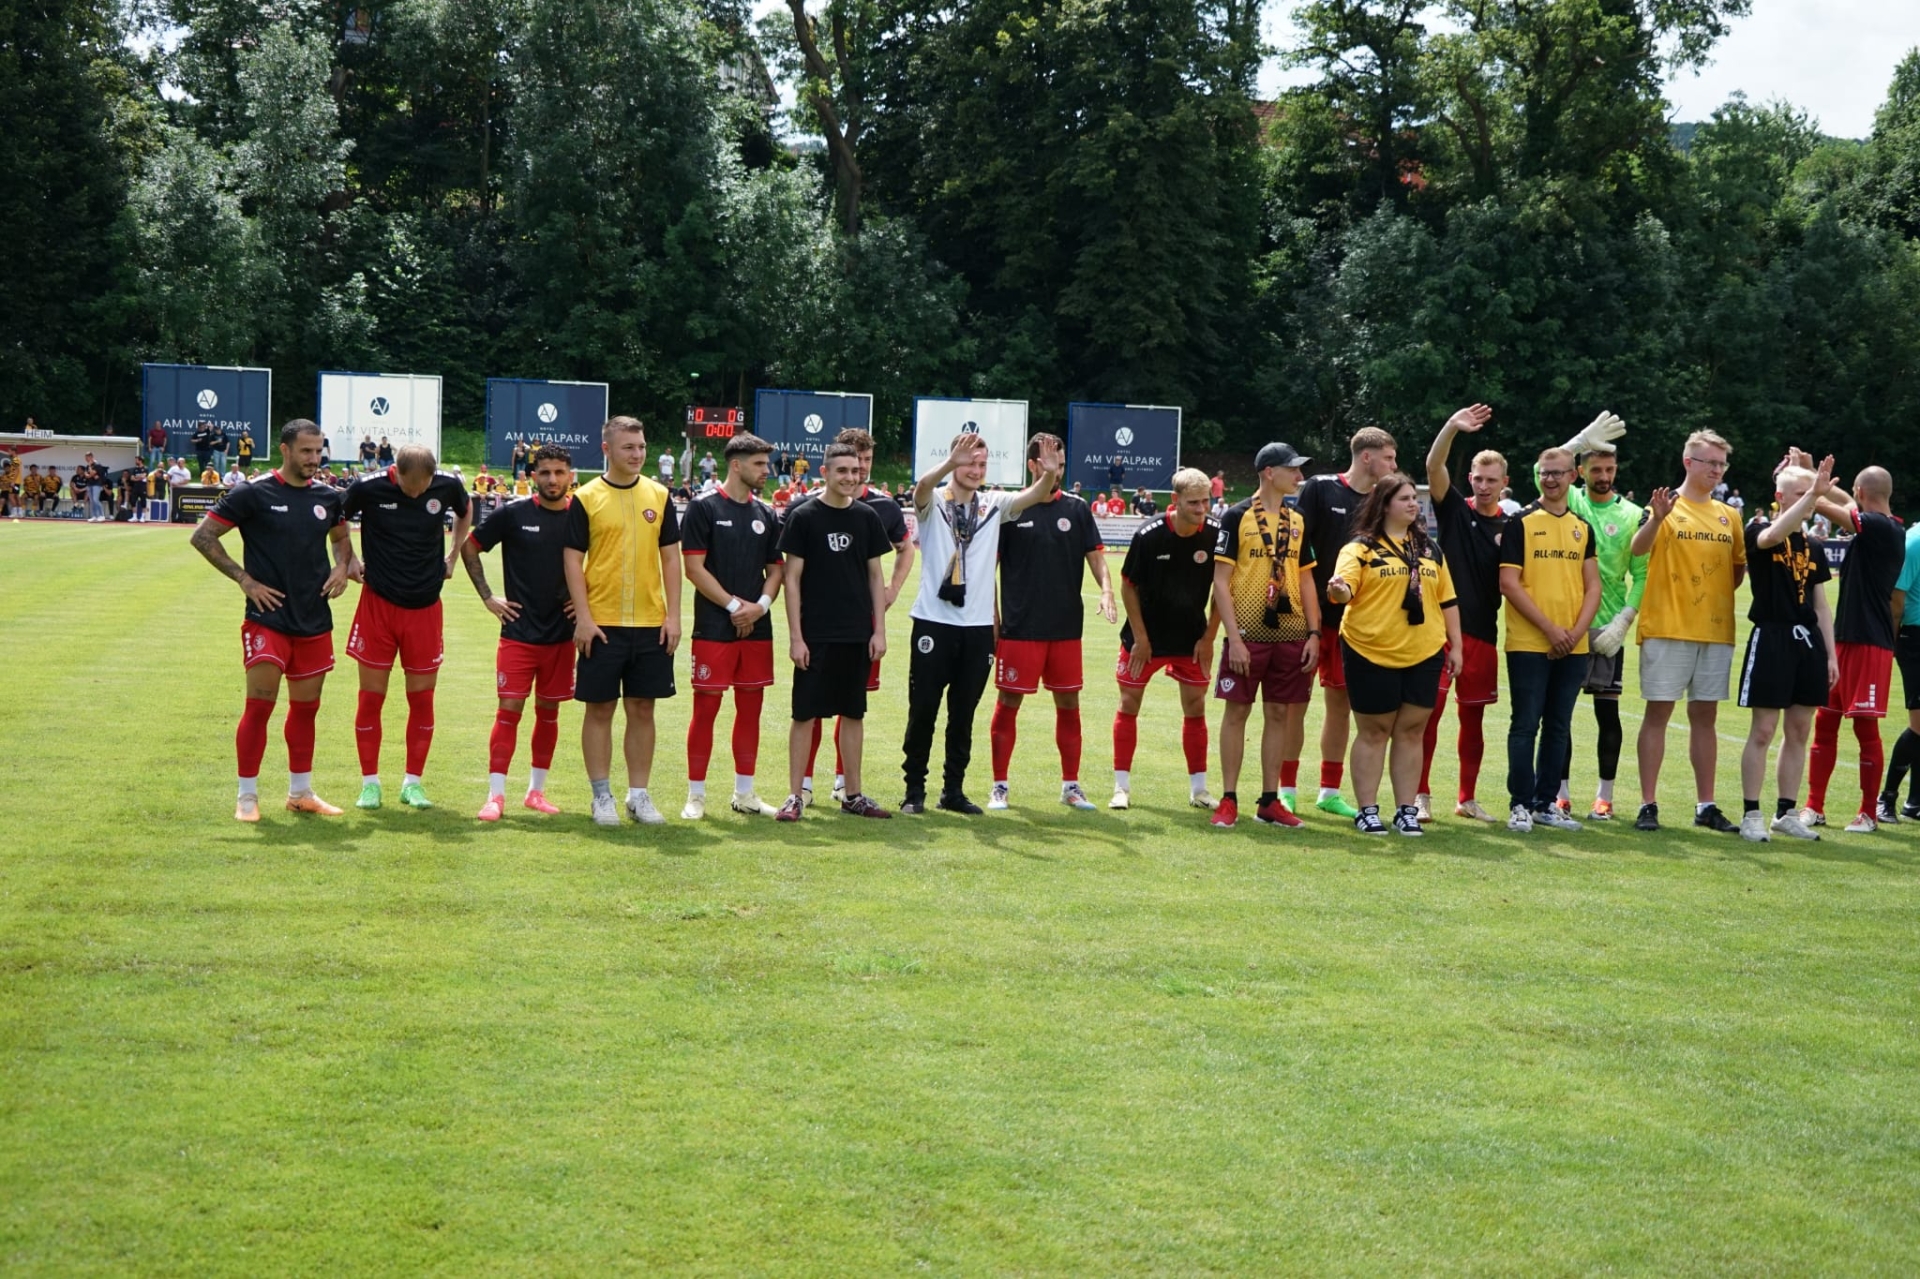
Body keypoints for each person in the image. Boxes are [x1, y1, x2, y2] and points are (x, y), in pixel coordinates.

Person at [189, 419, 357, 820]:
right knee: (260, 706)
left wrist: (341, 567)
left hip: (314, 618)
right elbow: (203, 537)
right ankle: (247, 797)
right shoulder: (253, 492)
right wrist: (245, 580)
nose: (314, 459)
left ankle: (300, 793)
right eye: (306, 451)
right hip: (267, 618)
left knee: (306, 709)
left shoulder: (329, 497)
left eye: (318, 451)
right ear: (285, 450)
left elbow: (341, 540)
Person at [902, 431, 1064, 814]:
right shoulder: (935, 502)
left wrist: (1048, 473)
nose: (975, 470)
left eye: (981, 464)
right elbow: (920, 488)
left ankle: (953, 791)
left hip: (976, 629)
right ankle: (914, 791)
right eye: (969, 463)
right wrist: (949, 463)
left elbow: (1034, 496)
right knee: (923, 710)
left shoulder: (992, 504)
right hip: (933, 622)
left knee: (963, 714)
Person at [1324, 473, 1463, 835]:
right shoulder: (1360, 548)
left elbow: (1447, 599)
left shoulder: (1430, 549)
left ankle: (1406, 810)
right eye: (1404, 499)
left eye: (1415, 498)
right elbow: (1344, 589)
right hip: (1370, 650)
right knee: (1375, 730)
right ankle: (1367, 810)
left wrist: (1456, 645)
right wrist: (1338, 591)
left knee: (1412, 731)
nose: (1414, 504)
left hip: (1424, 651)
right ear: (1384, 505)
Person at [565, 416, 683, 827]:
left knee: (643, 708)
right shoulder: (585, 497)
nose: (637, 454)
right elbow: (572, 560)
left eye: (641, 447)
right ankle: (602, 796)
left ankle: (639, 795)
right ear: (607, 450)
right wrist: (583, 617)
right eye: (628, 447)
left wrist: (673, 616)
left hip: (650, 623)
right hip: (601, 623)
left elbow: (671, 559)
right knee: (599, 710)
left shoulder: (659, 495)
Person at [987, 433, 1114, 813]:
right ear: (1032, 465)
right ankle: (999, 786)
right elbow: (987, 570)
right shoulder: (1010, 510)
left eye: (1060, 462)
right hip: (1020, 627)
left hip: (1065, 628)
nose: (1057, 469)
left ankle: (1071, 786)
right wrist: (993, 617)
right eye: (1049, 462)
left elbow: (1096, 557)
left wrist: (1107, 590)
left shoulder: (1077, 508)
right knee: (1008, 701)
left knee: (1069, 702)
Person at [342, 445, 473, 811]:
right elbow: (337, 518)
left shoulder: (447, 485)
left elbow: (466, 511)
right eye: (408, 487)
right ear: (394, 472)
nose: (416, 494)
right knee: (371, 697)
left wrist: (453, 554)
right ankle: (370, 784)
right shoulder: (367, 487)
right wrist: (349, 558)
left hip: (425, 607)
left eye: (422, 488)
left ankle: (412, 783)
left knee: (422, 698)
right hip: (378, 605)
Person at [1628, 429, 1747, 833]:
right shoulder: (1664, 506)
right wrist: (1658, 518)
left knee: (1705, 716)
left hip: (1715, 631)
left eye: (1721, 464)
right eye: (1709, 462)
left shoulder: (1730, 515)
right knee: (1658, 713)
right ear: (1688, 462)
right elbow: (1638, 548)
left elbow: (1736, 572)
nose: (1717, 470)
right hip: (1667, 626)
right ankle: (1648, 804)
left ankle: (1706, 805)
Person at [796, 429, 916, 804]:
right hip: (818, 624)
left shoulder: (881, 508)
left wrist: (891, 592)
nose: (859, 469)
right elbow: (792, 571)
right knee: (812, 706)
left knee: (851, 704)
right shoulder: (806, 509)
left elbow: (905, 550)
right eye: (852, 461)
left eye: (865, 461)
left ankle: (843, 782)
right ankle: (803, 784)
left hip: (859, 624)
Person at [460, 443, 578, 821]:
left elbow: (606, 560)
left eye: (559, 472)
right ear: (532, 476)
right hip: (518, 634)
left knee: (549, 712)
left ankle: (535, 792)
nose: (552, 479)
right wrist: (488, 597)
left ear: (570, 475)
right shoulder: (513, 513)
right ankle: (495, 796)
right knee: (509, 710)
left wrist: (587, 599)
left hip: (562, 636)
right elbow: (470, 548)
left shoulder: (582, 516)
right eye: (545, 472)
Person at [776, 441, 892, 820]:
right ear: (824, 473)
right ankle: (795, 796)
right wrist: (796, 637)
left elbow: (875, 576)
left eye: (855, 471)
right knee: (804, 715)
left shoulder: (867, 518)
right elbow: (792, 580)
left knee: (853, 713)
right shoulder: (803, 516)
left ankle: (852, 795)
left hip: (856, 634)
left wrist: (879, 631)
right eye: (842, 470)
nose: (850, 477)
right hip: (815, 635)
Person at [1208, 442, 1320, 829]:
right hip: (1247, 635)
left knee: (1279, 714)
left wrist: (1313, 632)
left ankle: (1269, 801)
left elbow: (1306, 579)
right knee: (1237, 712)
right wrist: (1234, 639)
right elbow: (1220, 583)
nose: (1300, 476)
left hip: (1290, 635)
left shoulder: (1298, 519)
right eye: (1293, 469)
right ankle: (1228, 798)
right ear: (1270, 473)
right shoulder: (1236, 516)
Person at [679, 433, 786, 819]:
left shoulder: (767, 514)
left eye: (766, 463)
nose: (766, 470)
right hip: (714, 626)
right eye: (759, 464)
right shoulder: (703, 508)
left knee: (751, 709)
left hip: (756, 627)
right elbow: (694, 569)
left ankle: (745, 793)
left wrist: (759, 608)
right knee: (706, 709)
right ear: (736, 465)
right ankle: (696, 795)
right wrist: (733, 606)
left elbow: (776, 571)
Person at [1797, 458, 1905, 831]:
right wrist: (1815, 478)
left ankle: (1868, 813)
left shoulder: (1882, 527)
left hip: (1870, 643)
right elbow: (1841, 501)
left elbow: (1823, 504)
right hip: (1845, 639)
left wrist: (1807, 485)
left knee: (1864, 728)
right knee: (1825, 722)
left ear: (1861, 492)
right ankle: (1814, 806)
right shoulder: (1877, 523)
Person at [1297, 426, 1399, 818]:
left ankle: (1328, 791)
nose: (1393, 466)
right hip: (1306, 619)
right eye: (1389, 458)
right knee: (1292, 704)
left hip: (1352, 623)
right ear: (1367, 457)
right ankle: (1285, 789)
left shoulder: (1382, 502)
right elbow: (1297, 548)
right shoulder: (1321, 489)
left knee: (1339, 705)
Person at [1498, 448, 1602, 832]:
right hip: (1529, 643)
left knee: (1559, 726)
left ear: (1573, 476)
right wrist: (1550, 629)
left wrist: (1575, 633)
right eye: (1544, 473)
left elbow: (1593, 587)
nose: (1550, 479)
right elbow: (1509, 583)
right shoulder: (1520, 522)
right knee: (1525, 724)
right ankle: (1520, 804)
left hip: (1573, 645)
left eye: (1558, 473)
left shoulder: (1582, 527)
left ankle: (1545, 803)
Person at [1735, 458, 1837, 842]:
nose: (1810, 499)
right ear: (1780, 496)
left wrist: (1830, 654)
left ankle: (1786, 812)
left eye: (1812, 493)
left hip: (1807, 643)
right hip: (1772, 637)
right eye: (1801, 493)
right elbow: (1771, 537)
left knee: (1799, 730)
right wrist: (1813, 494)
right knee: (1763, 730)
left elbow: (1821, 605)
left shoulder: (1813, 545)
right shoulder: (1758, 528)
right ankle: (1751, 814)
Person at [1111, 468, 1222, 811]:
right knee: (1129, 703)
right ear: (1175, 500)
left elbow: (1222, 589)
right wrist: (1141, 638)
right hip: (1146, 638)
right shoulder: (1149, 535)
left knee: (1196, 706)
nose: (1201, 509)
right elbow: (1128, 586)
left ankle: (1199, 790)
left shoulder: (1216, 533)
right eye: (1193, 503)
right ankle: (1121, 787)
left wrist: (1209, 638)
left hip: (1191, 638)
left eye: (1205, 501)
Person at [1554, 421, 1645, 821]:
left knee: (1607, 715)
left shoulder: (1633, 514)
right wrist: (1576, 441)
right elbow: (1544, 469)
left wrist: (1624, 621)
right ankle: (1560, 794)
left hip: (1608, 627)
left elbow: (1642, 574)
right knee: (1560, 714)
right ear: (1582, 471)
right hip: (1566, 624)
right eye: (1596, 469)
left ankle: (1604, 797)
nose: (1604, 476)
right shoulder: (1571, 498)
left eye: (1609, 469)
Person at [1423, 404, 1505, 822]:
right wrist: (1451, 428)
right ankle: (1420, 795)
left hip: (1483, 635)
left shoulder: (1515, 526)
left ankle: (1466, 798)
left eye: (1492, 480)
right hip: (1439, 632)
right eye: (1478, 478)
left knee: (1472, 720)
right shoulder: (1456, 510)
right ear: (1469, 479)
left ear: (1505, 483)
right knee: (1427, 717)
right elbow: (1433, 465)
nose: (1484, 486)